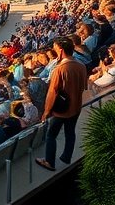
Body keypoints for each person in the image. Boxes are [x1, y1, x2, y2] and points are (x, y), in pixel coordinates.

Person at [36, 37, 87, 172]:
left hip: (62, 110)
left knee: (51, 135)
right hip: (76, 106)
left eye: (55, 48)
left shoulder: (60, 69)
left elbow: (52, 93)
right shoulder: (81, 66)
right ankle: (66, 157)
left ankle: (49, 162)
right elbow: (84, 87)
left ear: (61, 50)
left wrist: (46, 111)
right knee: (70, 132)